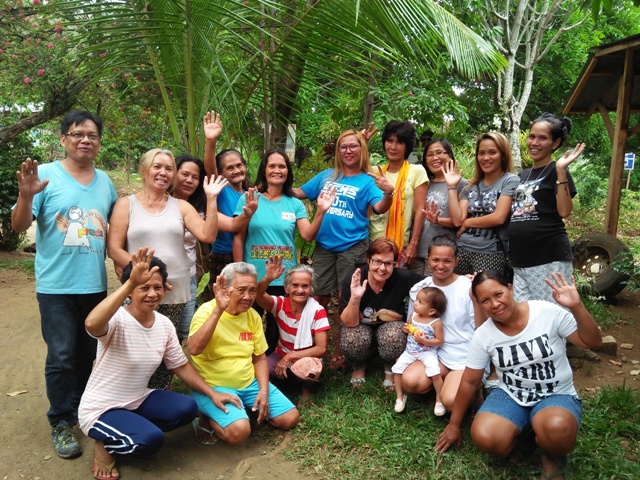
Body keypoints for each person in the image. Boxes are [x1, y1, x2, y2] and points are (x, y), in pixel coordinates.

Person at [79, 248, 240, 480]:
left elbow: (180, 365)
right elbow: (92, 324)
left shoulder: (163, 324)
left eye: (158, 287)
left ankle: (128, 427)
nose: (152, 294)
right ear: (130, 291)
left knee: (187, 408)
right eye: (143, 287)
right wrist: (130, 281)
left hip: (138, 398)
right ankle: (105, 444)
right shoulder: (117, 319)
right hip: (101, 409)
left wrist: (212, 393)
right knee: (151, 441)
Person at [11, 110, 117, 459]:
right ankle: (60, 421)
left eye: (92, 135)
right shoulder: (44, 176)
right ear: (63, 139)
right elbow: (18, 225)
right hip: (56, 287)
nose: (85, 140)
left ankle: (84, 412)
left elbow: (114, 232)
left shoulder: (105, 182)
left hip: (94, 286)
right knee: (61, 357)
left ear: (99, 142)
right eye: (77, 134)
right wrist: (26, 197)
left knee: (89, 354)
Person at [435, 270, 602, 480]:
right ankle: (524, 437)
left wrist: (577, 307)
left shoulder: (546, 312)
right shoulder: (484, 334)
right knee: (485, 437)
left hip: (555, 393)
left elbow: (593, 342)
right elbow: (470, 381)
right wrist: (454, 425)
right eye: (485, 301)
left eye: (498, 294)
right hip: (511, 394)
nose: (494, 304)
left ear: (511, 289)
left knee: (557, 428)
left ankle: (552, 456)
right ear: (478, 303)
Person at [108, 148, 232, 389]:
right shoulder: (126, 205)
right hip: (140, 288)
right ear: (143, 171)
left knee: (165, 346)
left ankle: (159, 394)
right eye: (157, 167)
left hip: (175, 290)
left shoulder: (181, 207)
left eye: (168, 168)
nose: (163, 173)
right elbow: (114, 249)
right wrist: (149, 275)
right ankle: (129, 393)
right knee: (134, 345)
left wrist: (212, 198)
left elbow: (207, 234)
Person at [294, 129, 395, 368]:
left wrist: (389, 192)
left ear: (362, 150)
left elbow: (380, 207)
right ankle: (310, 346)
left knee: (345, 297)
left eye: (353, 146)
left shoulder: (367, 180)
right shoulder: (327, 176)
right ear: (338, 151)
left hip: (352, 247)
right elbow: (299, 192)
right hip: (324, 246)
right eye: (343, 147)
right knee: (317, 296)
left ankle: (341, 350)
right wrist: (273, 184)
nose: (348, 151)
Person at [233, 148, 335, 352]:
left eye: (282, 166)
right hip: (252, 275)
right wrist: (239, 271)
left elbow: (307, 235)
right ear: (264, 170)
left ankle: (273, 372)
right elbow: (238, 236)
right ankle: (243, 369)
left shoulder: (295, 203)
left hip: (282, 278)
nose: (277, 170)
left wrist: (321, 211)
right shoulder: (250, 198)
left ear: (288, 171)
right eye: (272, 166)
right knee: (243, 328)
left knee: (275, 334)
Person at [188, 262, 300, 445]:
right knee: (239, 432)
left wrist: (264, 390)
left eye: (253, 290)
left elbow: (259, 358)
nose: (248, 297)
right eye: (241, 290)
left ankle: (243, 408)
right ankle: (207, 416)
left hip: (249, 383)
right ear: (225, 289)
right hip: (214, 386)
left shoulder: (252, 316)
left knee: (290, 418)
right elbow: (194, 349)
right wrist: (218, 310)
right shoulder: (206, 311)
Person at [509, 113, 585, 303]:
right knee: (527, 318)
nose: (534, 142)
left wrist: (560, 171)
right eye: (532, 136)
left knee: (553, 317)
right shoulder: (523, 174)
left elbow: (564, 211)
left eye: (543, 138)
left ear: (555, 143)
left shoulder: (557, 170)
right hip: (521, 260)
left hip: (548, 257)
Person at [403, 234, 484, 411]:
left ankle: (472, 385)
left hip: (462, 353)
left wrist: (476, 300)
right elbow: (414, 323)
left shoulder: (467, 287)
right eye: (435, 260)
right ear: (428, 258)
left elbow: (481, 328)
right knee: (411, 382)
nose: (440, 266)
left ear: (456, 261)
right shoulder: (420, 288)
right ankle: (443, 382)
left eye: (447, 261)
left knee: (451, 402)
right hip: (431, 351)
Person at [339, 238, 424, 388]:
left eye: (388, 263)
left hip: (389, 330)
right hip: (361, 329)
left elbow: (432, 282)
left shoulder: (403, 278)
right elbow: (349, 323)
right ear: (368, 260)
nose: (382, 268)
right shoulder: (355, 279)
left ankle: (389, 365)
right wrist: (355, 298)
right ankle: (359, 365)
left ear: (394, 264)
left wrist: (462, 279)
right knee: (351, 336)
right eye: (377, 261)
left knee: (395, 334)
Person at [255, 256, 330, 406]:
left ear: (311, 289)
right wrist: (268, 278)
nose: (300, 290)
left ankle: (306, 391)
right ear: (286, 288)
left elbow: (321, 348)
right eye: (295, 285)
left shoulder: (317, 310)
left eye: (305, 286)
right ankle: (278, 387)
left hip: (305, 358)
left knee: (311, 367)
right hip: (280, 355)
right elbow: (257, 294)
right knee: (258, 368)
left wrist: (290, 357)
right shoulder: (280, 304)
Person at [449, 132, 520, 277]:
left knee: (485, 296)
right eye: (481, 153)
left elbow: (499, 217)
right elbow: (457, 220)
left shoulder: (510, 181)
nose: (486, 158)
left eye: (492, 152)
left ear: (503, 155)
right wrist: (451, 187)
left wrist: (468, 222)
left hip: (490, 252)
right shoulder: (471, 185)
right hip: (462, 249)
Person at [201, 111, 253, 294]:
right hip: (223, 255)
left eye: (239, 165)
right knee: (223, 301)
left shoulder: (249, 193)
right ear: (221, 173)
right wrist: (211, 141)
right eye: (229, 168)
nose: (236, 170)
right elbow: (209, 167)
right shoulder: (221, 189)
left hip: (248, 253)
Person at [368, 120, 428, 269]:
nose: (393, 147)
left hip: (400, 245)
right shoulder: (376, 172)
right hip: (372, 242)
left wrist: (413, 244)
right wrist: (362, 141)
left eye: (399, 142)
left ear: (407, 146)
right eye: (390, 141)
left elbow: (420, 210)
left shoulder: (417, 171)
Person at [415, 139, 467, 275]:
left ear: (449, 156)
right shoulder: (422, 183)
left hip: (441, 256)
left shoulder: (461, 184)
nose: (435, 158)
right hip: (416, 250)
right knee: (414, 293)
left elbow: (459, 221)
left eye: (439, 153)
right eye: (430, 154)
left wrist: (438, 220)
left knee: (434, 294)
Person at [392, 286, 446, 415]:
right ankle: (400, 397)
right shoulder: (414, 314)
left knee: (434, 373)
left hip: (427, 352)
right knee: (397, 369)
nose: (415, 303)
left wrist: (425, 341)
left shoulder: (435, 323)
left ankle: (439, 399)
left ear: (432, 311)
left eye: (420, 302)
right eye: (416, 299)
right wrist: (406, 328)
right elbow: (409, 326)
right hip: (410, 351)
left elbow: (440, 340)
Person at [172, 154, 207, 341]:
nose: (189, 180)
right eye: (185, 174)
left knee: (184, 332)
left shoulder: (199, 208)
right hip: (160, 277)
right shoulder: (159, 202)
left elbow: (211, 233)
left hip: (188, 277)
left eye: (195, 177)